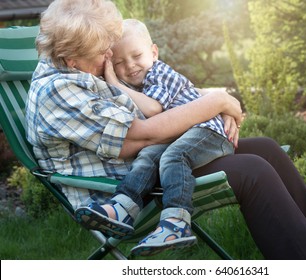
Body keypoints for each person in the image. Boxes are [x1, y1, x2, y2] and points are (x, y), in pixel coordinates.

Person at [26, 0, 306, 259]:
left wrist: (215, 101)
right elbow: (143, 134)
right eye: (102, 52)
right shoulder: (58, 91)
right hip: (121, 191)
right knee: (252, 170)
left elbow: (163, 99)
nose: (110, 56)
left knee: (266, 148)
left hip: (154, 161)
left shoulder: (84, 70)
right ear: (70, 59)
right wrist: (216, 102)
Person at [74, 18, 235, 256]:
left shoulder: (159, 72)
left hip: (208, 131)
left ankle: (176, 223)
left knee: (173, 157)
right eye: (119, 62)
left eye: (137, 55)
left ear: (154, 52)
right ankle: (123, 207)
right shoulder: (136, 86)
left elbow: (153, 109)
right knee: (148, 155)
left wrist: (113, 82)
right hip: (181, 135)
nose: (130, 66)